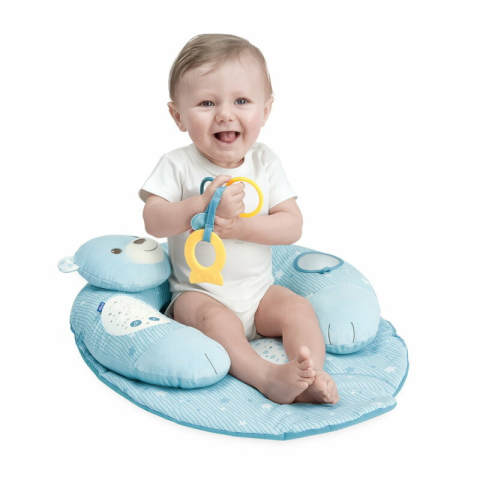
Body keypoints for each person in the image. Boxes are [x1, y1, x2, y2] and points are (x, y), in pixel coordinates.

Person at [139, 34, 339, 405]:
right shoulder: (177, 165)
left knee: (297, 308)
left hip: (259, 293)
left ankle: (310, 373)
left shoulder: (266, 162)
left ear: (265, 110)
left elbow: (292, 225)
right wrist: (201, 206)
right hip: (200, 294)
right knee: (214, 321)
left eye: (242, 101)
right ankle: (265, 376)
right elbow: (153, 220)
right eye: (206, 103)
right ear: (178, 116)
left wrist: (240, 228)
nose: (225, 114)